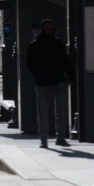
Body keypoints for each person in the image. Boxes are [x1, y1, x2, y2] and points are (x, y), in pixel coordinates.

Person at [27, 19, 75, 148]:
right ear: (43, 30)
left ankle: (60, 137)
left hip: (58, 80)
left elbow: (65, 60)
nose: (50, 32)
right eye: (48, 29)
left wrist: (70, 77)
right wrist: (39, 75)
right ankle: (44, 139)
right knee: (43, 111)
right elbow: (30, 64)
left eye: (52, 29)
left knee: (62, 109)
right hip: (43, 82)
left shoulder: (57, 43)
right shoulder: (35, 45)